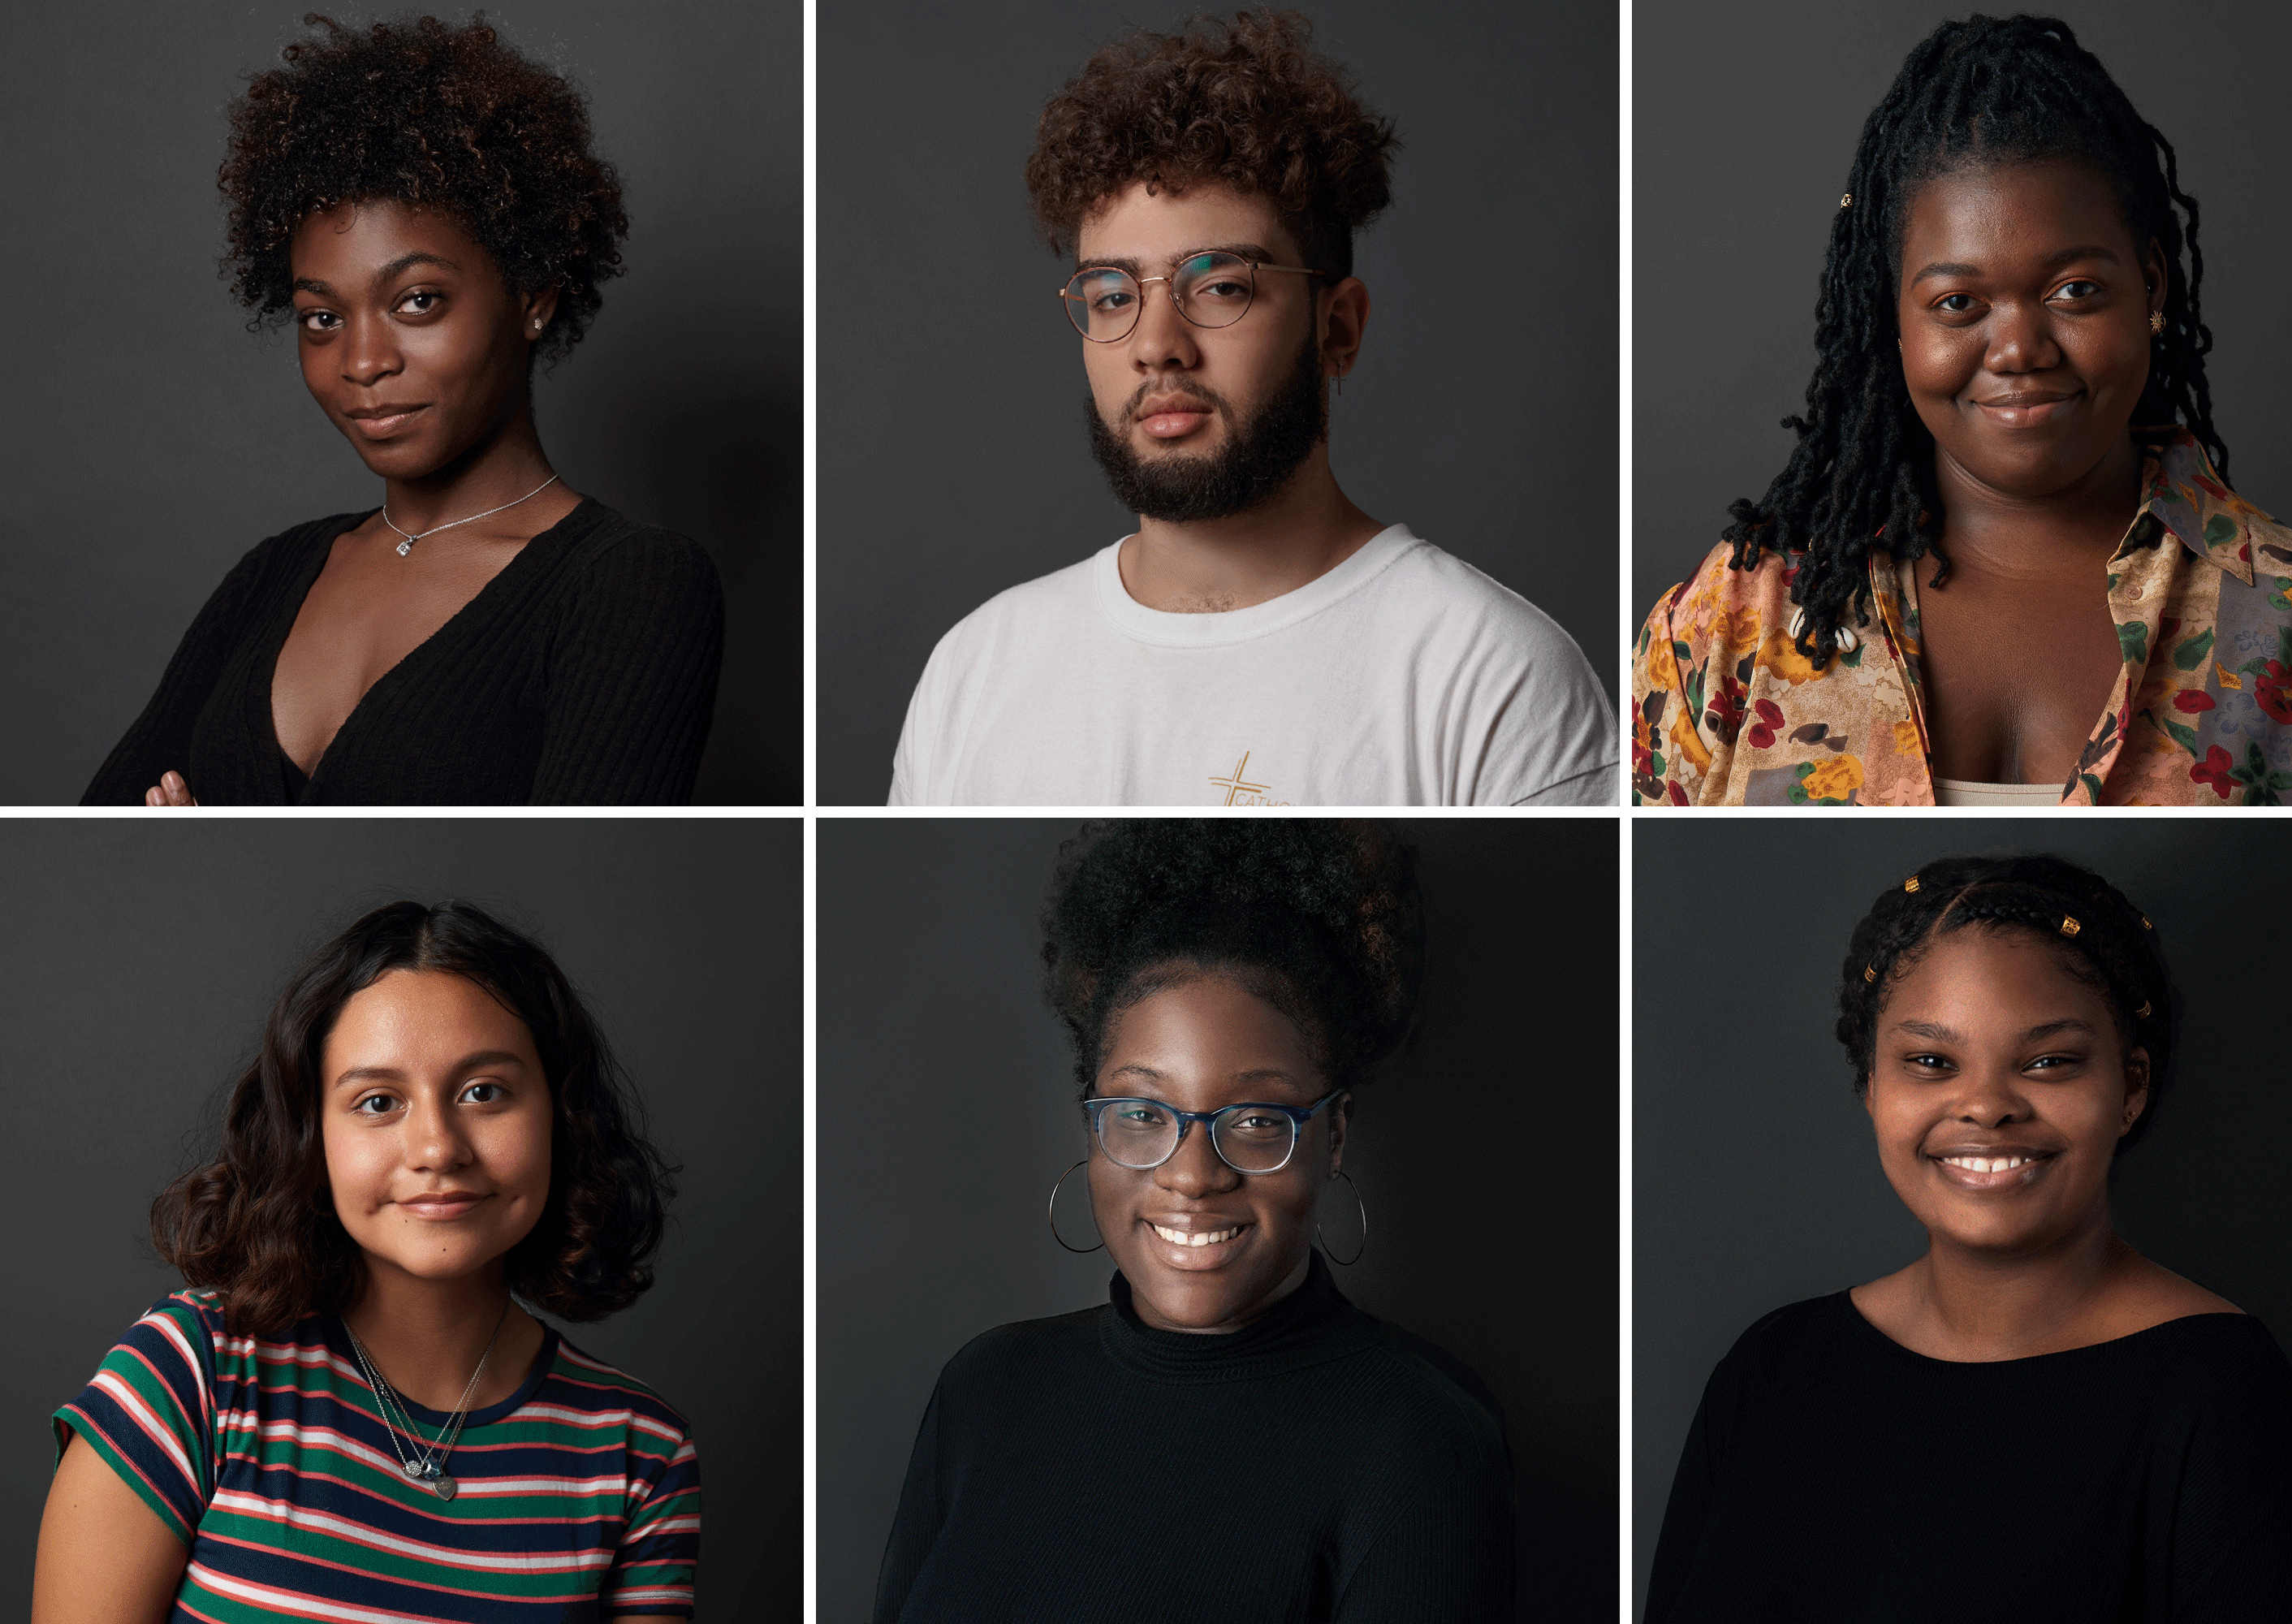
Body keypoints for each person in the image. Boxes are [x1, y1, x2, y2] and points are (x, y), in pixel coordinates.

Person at [1629, 14, 2292, 806]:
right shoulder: (1738, 618)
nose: (2018, 348)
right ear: (1892, 320)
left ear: (2150, 286)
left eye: (2074, 289)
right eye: (1958, 301)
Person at [887, 10, 1616, 806]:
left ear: (1337, 327)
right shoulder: (976, 670)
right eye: (1111, 295)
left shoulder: (1494, 679)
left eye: (1221, 286)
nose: (1156, 344)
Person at [1643, 854, 2292, 1621]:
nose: (1986, 1106)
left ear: (2131, 1089)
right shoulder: (1770, 1371)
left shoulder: (2218, 1396)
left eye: (2050, 1061)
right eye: (1931, 1061)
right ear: (1870, 1087)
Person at [874, 820, 1515, 1621]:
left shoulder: (1417, 1440)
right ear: (1092, 1123)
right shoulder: (985, 1389)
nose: (1191, 1173)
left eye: (1253, 1118)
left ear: (1335, 1132)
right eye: (1143, 1110)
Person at [82, 14, 723, 807]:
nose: (362, 362)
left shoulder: (631, 584)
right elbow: (101, 818)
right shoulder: (275, 571)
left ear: (533, 297)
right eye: (323, 317)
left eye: (417, 301)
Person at [33, 901, 699, 1622]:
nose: (439, 1148)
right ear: (312, 1134)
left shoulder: (639, 1452)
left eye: (485, 1092)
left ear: (562, 1117)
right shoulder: (192, 1372)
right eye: (379, 1102)